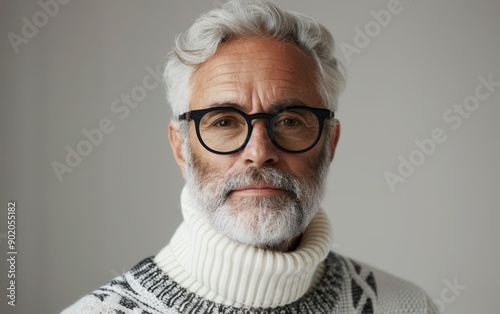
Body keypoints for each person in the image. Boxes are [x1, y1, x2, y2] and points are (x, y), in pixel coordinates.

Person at [62, 0, 437, 313]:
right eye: (224, 121)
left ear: (330, 142)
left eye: (289, 120)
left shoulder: (405, 306)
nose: (259, 152)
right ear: (180, 147)